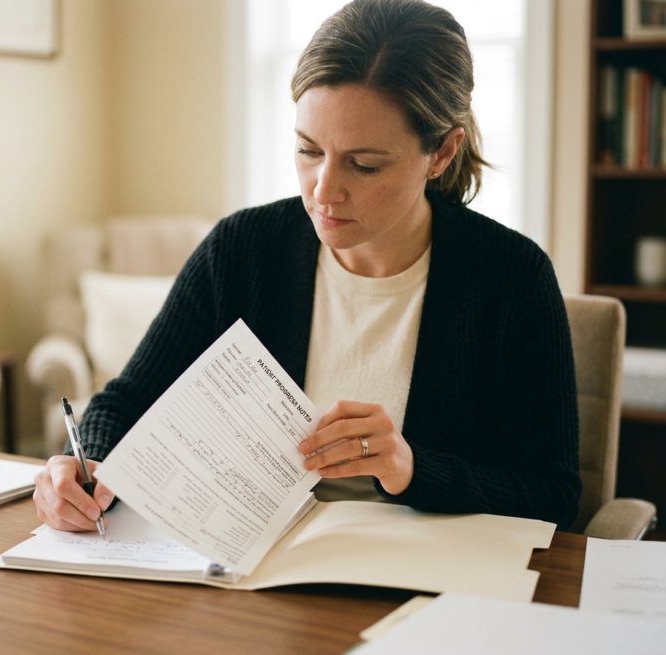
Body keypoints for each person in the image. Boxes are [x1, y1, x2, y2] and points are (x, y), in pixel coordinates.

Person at [33, 0, 581, 534]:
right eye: (308, 150)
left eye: (364, 165)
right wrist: (82, 466)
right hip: (249, 578)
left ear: (441, 153)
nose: (323, 191)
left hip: (427, 589)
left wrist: (411, 469)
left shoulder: (512, 279)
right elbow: (126, 401)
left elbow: (553, 495)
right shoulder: (241, 251)